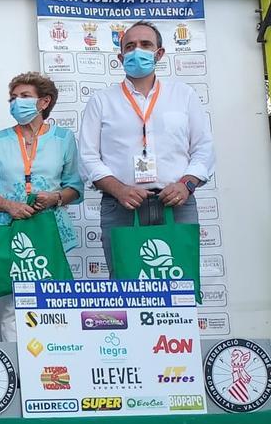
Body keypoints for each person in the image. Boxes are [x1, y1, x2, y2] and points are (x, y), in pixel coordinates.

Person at [78, 20, 214, 272]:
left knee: (180, 289)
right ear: (120, 56)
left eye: (145, 44)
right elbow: (87, 156)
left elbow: (204, 149)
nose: (137, 50)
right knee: (127, 287)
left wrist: (186, 185)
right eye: (130, 46)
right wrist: (118, 189)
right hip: (121, 207)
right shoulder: (101, 101)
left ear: (159, 53)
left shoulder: (184, 95)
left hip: (177, 205)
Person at [0, 72, 84, 340]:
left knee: (56, 301)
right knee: (15, 304)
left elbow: (75, 187)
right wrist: (10, 206)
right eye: (13, 98)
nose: (16, 103)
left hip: (52, 231)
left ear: (44, 102)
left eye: (24, 97)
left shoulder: (63, 138)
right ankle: (23, 372)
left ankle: (58, 367)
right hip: (9, 230)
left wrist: (56, 198)